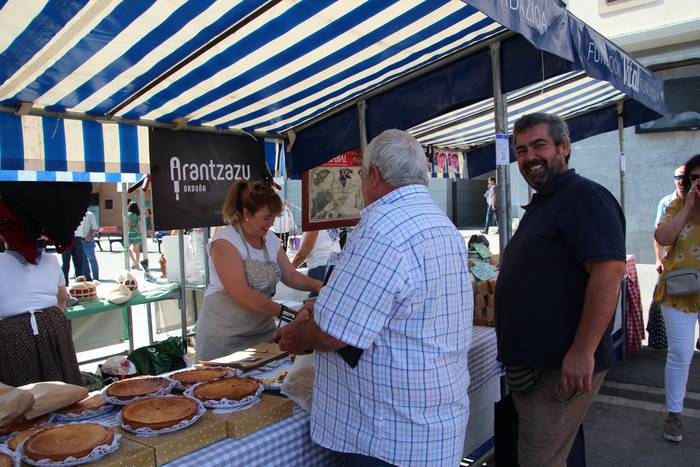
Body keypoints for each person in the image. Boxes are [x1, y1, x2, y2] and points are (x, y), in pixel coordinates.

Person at [275, 129, 473, 466]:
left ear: (375, 176)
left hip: (389, 435)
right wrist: (322, 307)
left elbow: (333, 334)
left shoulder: (382, 229)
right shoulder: (441, 224)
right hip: (430, 421)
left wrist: (298, 336)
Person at [495, 112, 626, 466]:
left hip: (557, 368)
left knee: (539, 459)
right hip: (540, 368)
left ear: (564, 147)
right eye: (521, 150)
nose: (529, 157)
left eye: (539, 146)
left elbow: (608, 273)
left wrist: (583, 350)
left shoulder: (584, 196)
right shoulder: (549, 199)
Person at [195, 180, 322, 361]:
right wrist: (289, 315)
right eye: (266, 218)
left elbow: (290, 275)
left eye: (273, 217)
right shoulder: (224, 242)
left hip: (262, 334)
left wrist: (318, 286)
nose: (271, 223)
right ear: (247, 213)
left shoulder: (270, 239)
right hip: (224, 337)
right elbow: (242, 294)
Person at [654, 153, 700, 443]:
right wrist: (688, 207)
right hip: (679, 291)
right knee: (681, 354)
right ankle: (674, 414)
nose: (699, 183)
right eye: (694, 178)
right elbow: (663, 237)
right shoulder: (676, 205)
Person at [0, 236, 82, 386]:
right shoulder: (51, 260)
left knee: (24, 390)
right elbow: (62, 298)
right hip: (52, 324)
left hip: (12, 332)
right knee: (62, 385)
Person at [291, 228, 341, 296]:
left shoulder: (314, 226)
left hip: (320, 268)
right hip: (335, 266)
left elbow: (302, 254)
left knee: (316, 300)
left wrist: (288, 269)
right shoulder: (330, 225)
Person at [78, 210, 99, 281]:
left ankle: (95, 277)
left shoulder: (90, 215)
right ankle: (87, 276)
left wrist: (89, 236)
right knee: (83, 259)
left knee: (92, 259)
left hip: (88, 240)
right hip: (79, 240)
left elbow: (94, 228)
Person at [127, 202, 142, 270]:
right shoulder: (138, 214)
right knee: (137, 250)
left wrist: (127, 232)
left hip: (131, 233)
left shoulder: (129, 214)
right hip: (138, 233)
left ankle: (134, 261)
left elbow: (129, 225)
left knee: (125, 248)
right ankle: (137, 264)